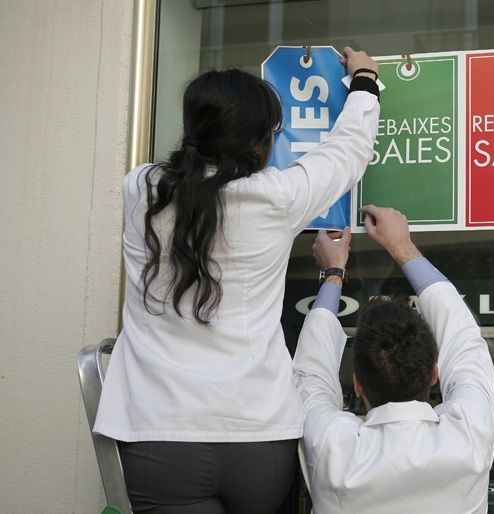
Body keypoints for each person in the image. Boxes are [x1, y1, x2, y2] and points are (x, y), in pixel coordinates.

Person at [93, 47, 380, 513]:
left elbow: (190, 185)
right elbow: (347, 152)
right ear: (259, 143)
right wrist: (364, 81)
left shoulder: (141, 190)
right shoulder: (277, 197)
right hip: (258, 437)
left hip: (157, 436)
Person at [293, 205, 494, 514]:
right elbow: (464, 340)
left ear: (357, 385)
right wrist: (402, 246)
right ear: (434, 374)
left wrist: (333, 274)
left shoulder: (333, 449)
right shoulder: (468, 438)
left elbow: (312, 374)